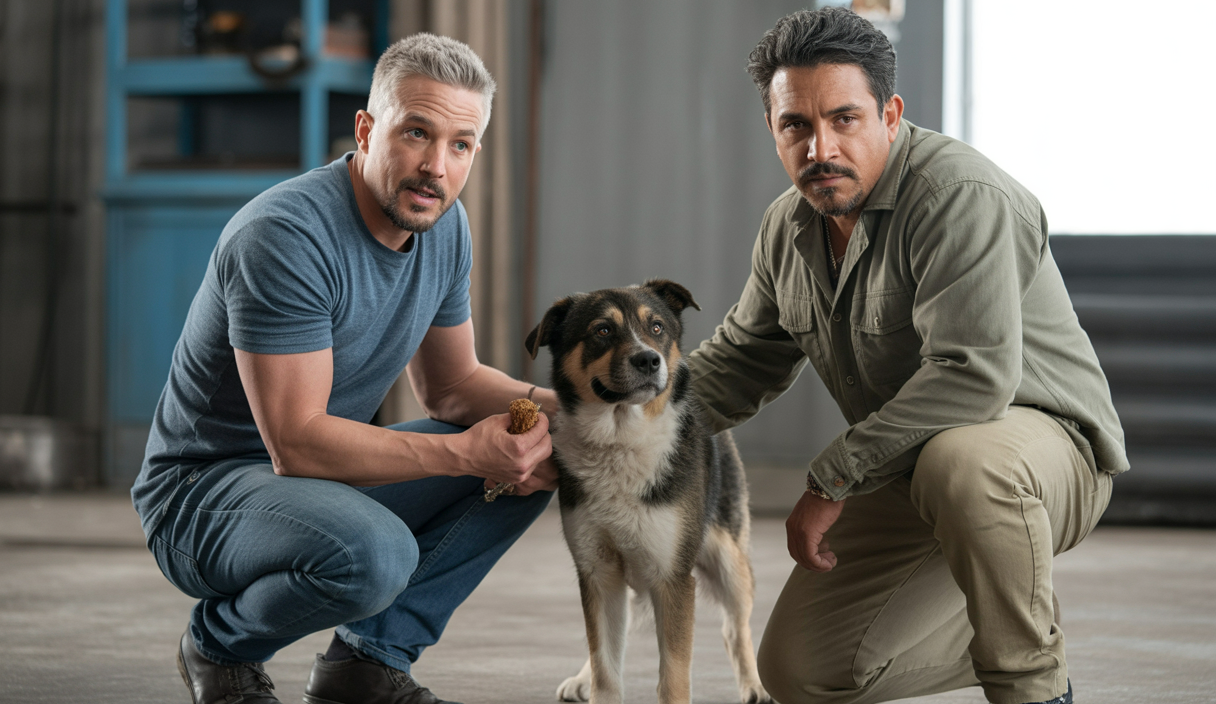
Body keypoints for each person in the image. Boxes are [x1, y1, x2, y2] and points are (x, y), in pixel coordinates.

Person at [686, 8, 1127, 704]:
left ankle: (1032, 681)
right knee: (803, 672)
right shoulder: (788, 228)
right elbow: (740, 360)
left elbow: (973, 379)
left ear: (890, 114)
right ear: (772, 128)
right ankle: (1002, 619)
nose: (819, 147)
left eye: (844, 119)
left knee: (966, 460)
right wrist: (606, 424)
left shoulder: (960, 197)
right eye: (795, 125)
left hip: (1041, 454)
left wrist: (831, 480)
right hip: (908, 466)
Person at [130, 33, 557, 704]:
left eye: (460, 144)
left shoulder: (443, 227)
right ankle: (218, 647)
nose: (436, 168)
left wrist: (579, 416)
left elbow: (452, 388)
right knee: (375, 553)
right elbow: (296, 444)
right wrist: (468, 456)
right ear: (366, 128)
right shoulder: (285, 236)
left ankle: (367, 663)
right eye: (417, 132)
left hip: (316, 483)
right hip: (200, 496)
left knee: (532, 463)